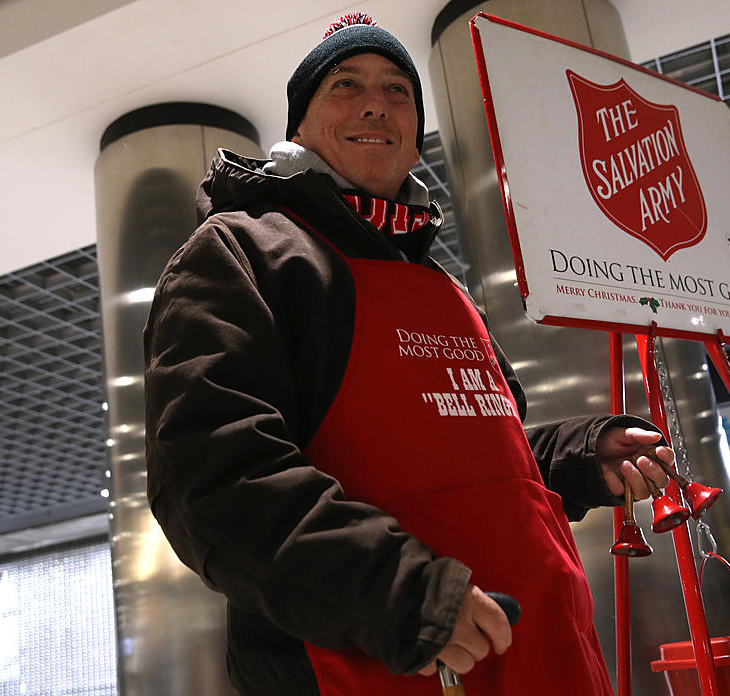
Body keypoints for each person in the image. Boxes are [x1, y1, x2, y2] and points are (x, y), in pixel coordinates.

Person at [143, 13, 674, 696]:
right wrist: (401, 598)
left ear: (415, 141)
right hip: (379, 666)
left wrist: (577, 455)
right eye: (346, 84)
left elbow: (476, 465)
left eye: (398, 90)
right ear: (298, 128)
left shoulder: (446, 291)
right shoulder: (237, 254)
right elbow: (211, 481)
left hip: (543, 653)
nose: (376, 102)